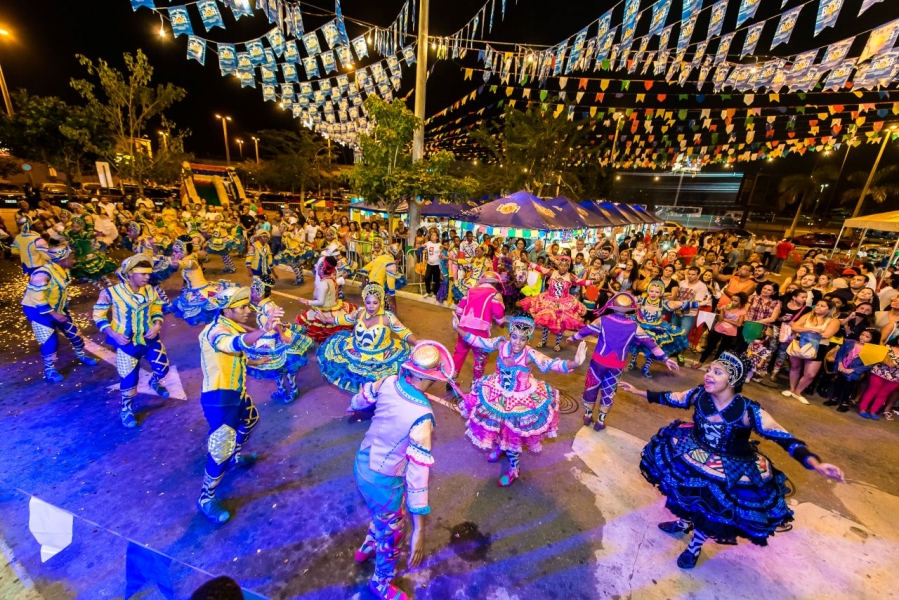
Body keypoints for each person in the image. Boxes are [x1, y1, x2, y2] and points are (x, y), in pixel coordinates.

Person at [620, 352, 844, 569]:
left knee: (711, 509)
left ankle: (694, 547)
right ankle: (683, 523)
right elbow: (672, 398)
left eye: (717, 372)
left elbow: (784, 437)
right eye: (709, 370)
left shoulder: (749, 411)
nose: (708, 375)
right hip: (695, 451)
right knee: (687, 494)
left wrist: (815, 463)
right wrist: (637, 391)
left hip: (729, 467)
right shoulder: (700, 395)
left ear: (733, 379)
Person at [349, 341, 458, 600]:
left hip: (361, 465)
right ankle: (381, 583)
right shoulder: (423, 415)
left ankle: (367, 546)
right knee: (394, 533)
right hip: (384, 481)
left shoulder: (389, 382)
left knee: (382, 515)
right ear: (430, 377)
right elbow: (417, 477)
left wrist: (353, 406)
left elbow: (361, 397)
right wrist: (419, 529)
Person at [456, 316, 587, 486]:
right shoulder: (501, 344)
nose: (517, 342)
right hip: (497, 393)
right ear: (510, 334)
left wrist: (574, 363)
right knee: (498, 426)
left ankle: (514, 470)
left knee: (512, 435)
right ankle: (500, 448)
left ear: (528, 338)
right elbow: (479, 341)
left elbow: (551, 363)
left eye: (523, 338)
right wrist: (458, 329)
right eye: (515, 336)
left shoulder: (530, 355)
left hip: (520, 400)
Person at [196, 286, 284, 524]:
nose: (247, 311)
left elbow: (241, 352)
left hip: (236, 393)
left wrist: (259, 359)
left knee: (251, 420)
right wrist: (264, 330)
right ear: (226, 309)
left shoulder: (232, 326)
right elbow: (232, 344)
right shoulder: (215, 332)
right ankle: (206, 497)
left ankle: (236, 456)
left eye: (247, 305)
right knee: (219, 450)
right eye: (242, 307)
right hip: (219, 400)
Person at [569, 292, 679, 431]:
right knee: (608, 391)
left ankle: (588, 415)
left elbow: (586, 331)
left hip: (598, 362)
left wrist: (572, 338)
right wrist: (665, 358)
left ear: (613, 306)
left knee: (592, 386)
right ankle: (601, 421)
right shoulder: (634, 326)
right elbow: (650, 343)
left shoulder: (602, 320)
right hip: (616, 366)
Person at [92, 254, 173, 428]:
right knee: (129, 380)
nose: (147, 277)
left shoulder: (150, 290)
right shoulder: (110, 293)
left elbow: (156, 308)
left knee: (163, 369)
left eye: (148, 273)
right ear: (129, 273)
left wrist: (158, 325)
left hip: (150, 340)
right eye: (143, 274)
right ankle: (126, 410)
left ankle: (154, 381)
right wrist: (113, 334)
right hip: (126, 344)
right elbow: (98, 315)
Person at [315, 284, 417, 393]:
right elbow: (343, 319)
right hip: (356, 351)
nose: (371, 306)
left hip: (381, 357)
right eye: (368, 303)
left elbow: (403, 332)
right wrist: (326, 319)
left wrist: (416, 342)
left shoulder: (388, 317)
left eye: (375, 303)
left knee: (380, 387)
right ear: (364, 302)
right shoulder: (359, 312)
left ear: (381, 302)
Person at [21, 244, 99, 382]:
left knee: (74, 333)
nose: (74, 260)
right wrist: (55, 315)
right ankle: (49, 369)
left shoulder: (63, 270)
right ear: (63, 258)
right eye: (72, 257)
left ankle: (81, 355)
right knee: (50, 342)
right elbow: (37, 299)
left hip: (57, 308)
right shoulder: (42, 274)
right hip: (38, 312)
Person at [245, 277, 313, 403]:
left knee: (286, 367)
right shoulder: (262, 305)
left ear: (260, 293)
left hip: (275, 340)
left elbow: (276, 322)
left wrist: (282, 335)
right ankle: (281, 388)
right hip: (266, 340)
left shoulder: (268, 306)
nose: (251, 293)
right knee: (275, 368)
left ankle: (293, 390)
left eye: (253, 291)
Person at [519, 255, 591, 352]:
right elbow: (539, 268)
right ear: (558, 265)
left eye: (566, 266)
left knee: (560, 324)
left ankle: (557, 344)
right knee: (545, 322)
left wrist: (592, 282)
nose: (563, 267)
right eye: (561, 265)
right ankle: (544, 341)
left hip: (564, 304)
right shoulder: (552, 272)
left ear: (569, 267)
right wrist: (528, 260)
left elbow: (582, 282)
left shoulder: (570, 276)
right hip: (548, 301)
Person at [781, 299, 841, 404]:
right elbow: (794, 327)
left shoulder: (833, 321)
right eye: (817, 304)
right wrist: (812, 330)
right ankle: (791, 389)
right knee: (795, 367)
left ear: (829, 309)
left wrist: (803, 329)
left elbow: (826, 334)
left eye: (822, 306)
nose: (818, 307)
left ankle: (798, 392)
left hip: (818, 346)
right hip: (800, 343)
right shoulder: (808, 315)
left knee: (810, 374)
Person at [451, 271, 506, 385]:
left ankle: (451, 381)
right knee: (480, 359)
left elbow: (459, 310)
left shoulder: (471, 291)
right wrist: (501, 324)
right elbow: (499, 316)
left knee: (459, 354)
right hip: (480, 332)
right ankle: (475, 385)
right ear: (496, 284)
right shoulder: (495, 294)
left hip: (463, 329)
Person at [630, 281, 693, 377]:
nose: (653, 294)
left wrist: (699, 303)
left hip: (656, 329)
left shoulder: (663, 303)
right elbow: (626, 299)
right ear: (648, 291)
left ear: (661, 293)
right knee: (635, 345)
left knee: (654, 348)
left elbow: (680, 304)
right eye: (651, 291)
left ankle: (646, 367)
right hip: (640, 326)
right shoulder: (641, 299)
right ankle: (633, 361)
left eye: (657, 292)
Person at [170, 240, 237, 326]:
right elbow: (196, 253)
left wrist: (174, 262)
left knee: (203, 309)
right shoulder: (191, 255)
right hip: (193, 289)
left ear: (184, 252)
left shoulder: (189, 261)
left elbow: (183, 264)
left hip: (200, 290)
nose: (174, 254)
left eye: (176, 252)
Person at [296, 256, 358, 343]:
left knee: (319, 331)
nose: (316, 267)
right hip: (334, 306)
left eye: (319, 265)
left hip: (325, 310)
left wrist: (306, 301)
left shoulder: (323, 283)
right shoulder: (332, 279)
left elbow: (320, 301)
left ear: (322, 269)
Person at [823, 328, 878, 412]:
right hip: (842, 368)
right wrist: (840, 364)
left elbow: (869, 365)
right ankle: (834, 399)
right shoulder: (850, 342)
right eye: (862, 335)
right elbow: (840, 353)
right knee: (838, 383)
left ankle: (845, 403)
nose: (863, 337)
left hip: (853, 373)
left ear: (872, 339)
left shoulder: (871, 351)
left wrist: (853, 370)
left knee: (848, 387)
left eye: (867, 337)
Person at [694, 292, 748, 368]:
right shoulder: (725, 307)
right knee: (710, 346)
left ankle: (714, 365)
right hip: (719, 328)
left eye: (736, 301)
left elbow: (739, 324)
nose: (733, 302)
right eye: (732, 300)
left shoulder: (742, 311)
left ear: (740, 302)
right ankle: (700, 361)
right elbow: (720, 319)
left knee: (722, 349)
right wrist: (722, 310)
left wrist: (726, 319)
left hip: (730, 332)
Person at [857, 343, 899, 419]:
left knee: (883, 394)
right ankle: (862, 408)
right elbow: (876, 356)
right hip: (879, 372)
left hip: (895, 378)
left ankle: (873, 411)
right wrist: (885, 360)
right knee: (872, 391)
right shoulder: (887, 346)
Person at [420, 230, 443, 299]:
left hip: (437, 265)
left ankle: (435, 293)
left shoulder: (439, 245)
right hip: (430, 264)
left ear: (437, 237)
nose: (432, 236)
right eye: (431, 235)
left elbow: (442, 253)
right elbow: (421, 247)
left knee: (436, 279)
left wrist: (441, 256)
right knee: (427, 278)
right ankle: (428, 291)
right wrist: (423, 248)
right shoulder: (428, 243)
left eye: (434, 235)